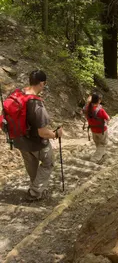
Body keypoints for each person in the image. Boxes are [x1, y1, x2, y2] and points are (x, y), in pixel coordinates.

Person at [16, 70, 63, 201]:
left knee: (31, 165)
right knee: (48, 163)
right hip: (36, 143)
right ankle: (35, 192)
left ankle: (35, 187)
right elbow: (42, 132)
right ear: (42, 83)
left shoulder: (18, 94)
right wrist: (56, 134)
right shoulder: (36, 104)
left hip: (20, 140)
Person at [83, 92, 110, 163]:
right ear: (99, 100)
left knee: (98, 143)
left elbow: (87, 103)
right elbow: (108, 118)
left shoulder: (87, 108)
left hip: (93, 129)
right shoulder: (100, 110)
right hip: (101, 130)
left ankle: (102, 153)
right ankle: (95, 159)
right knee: (103, 144)